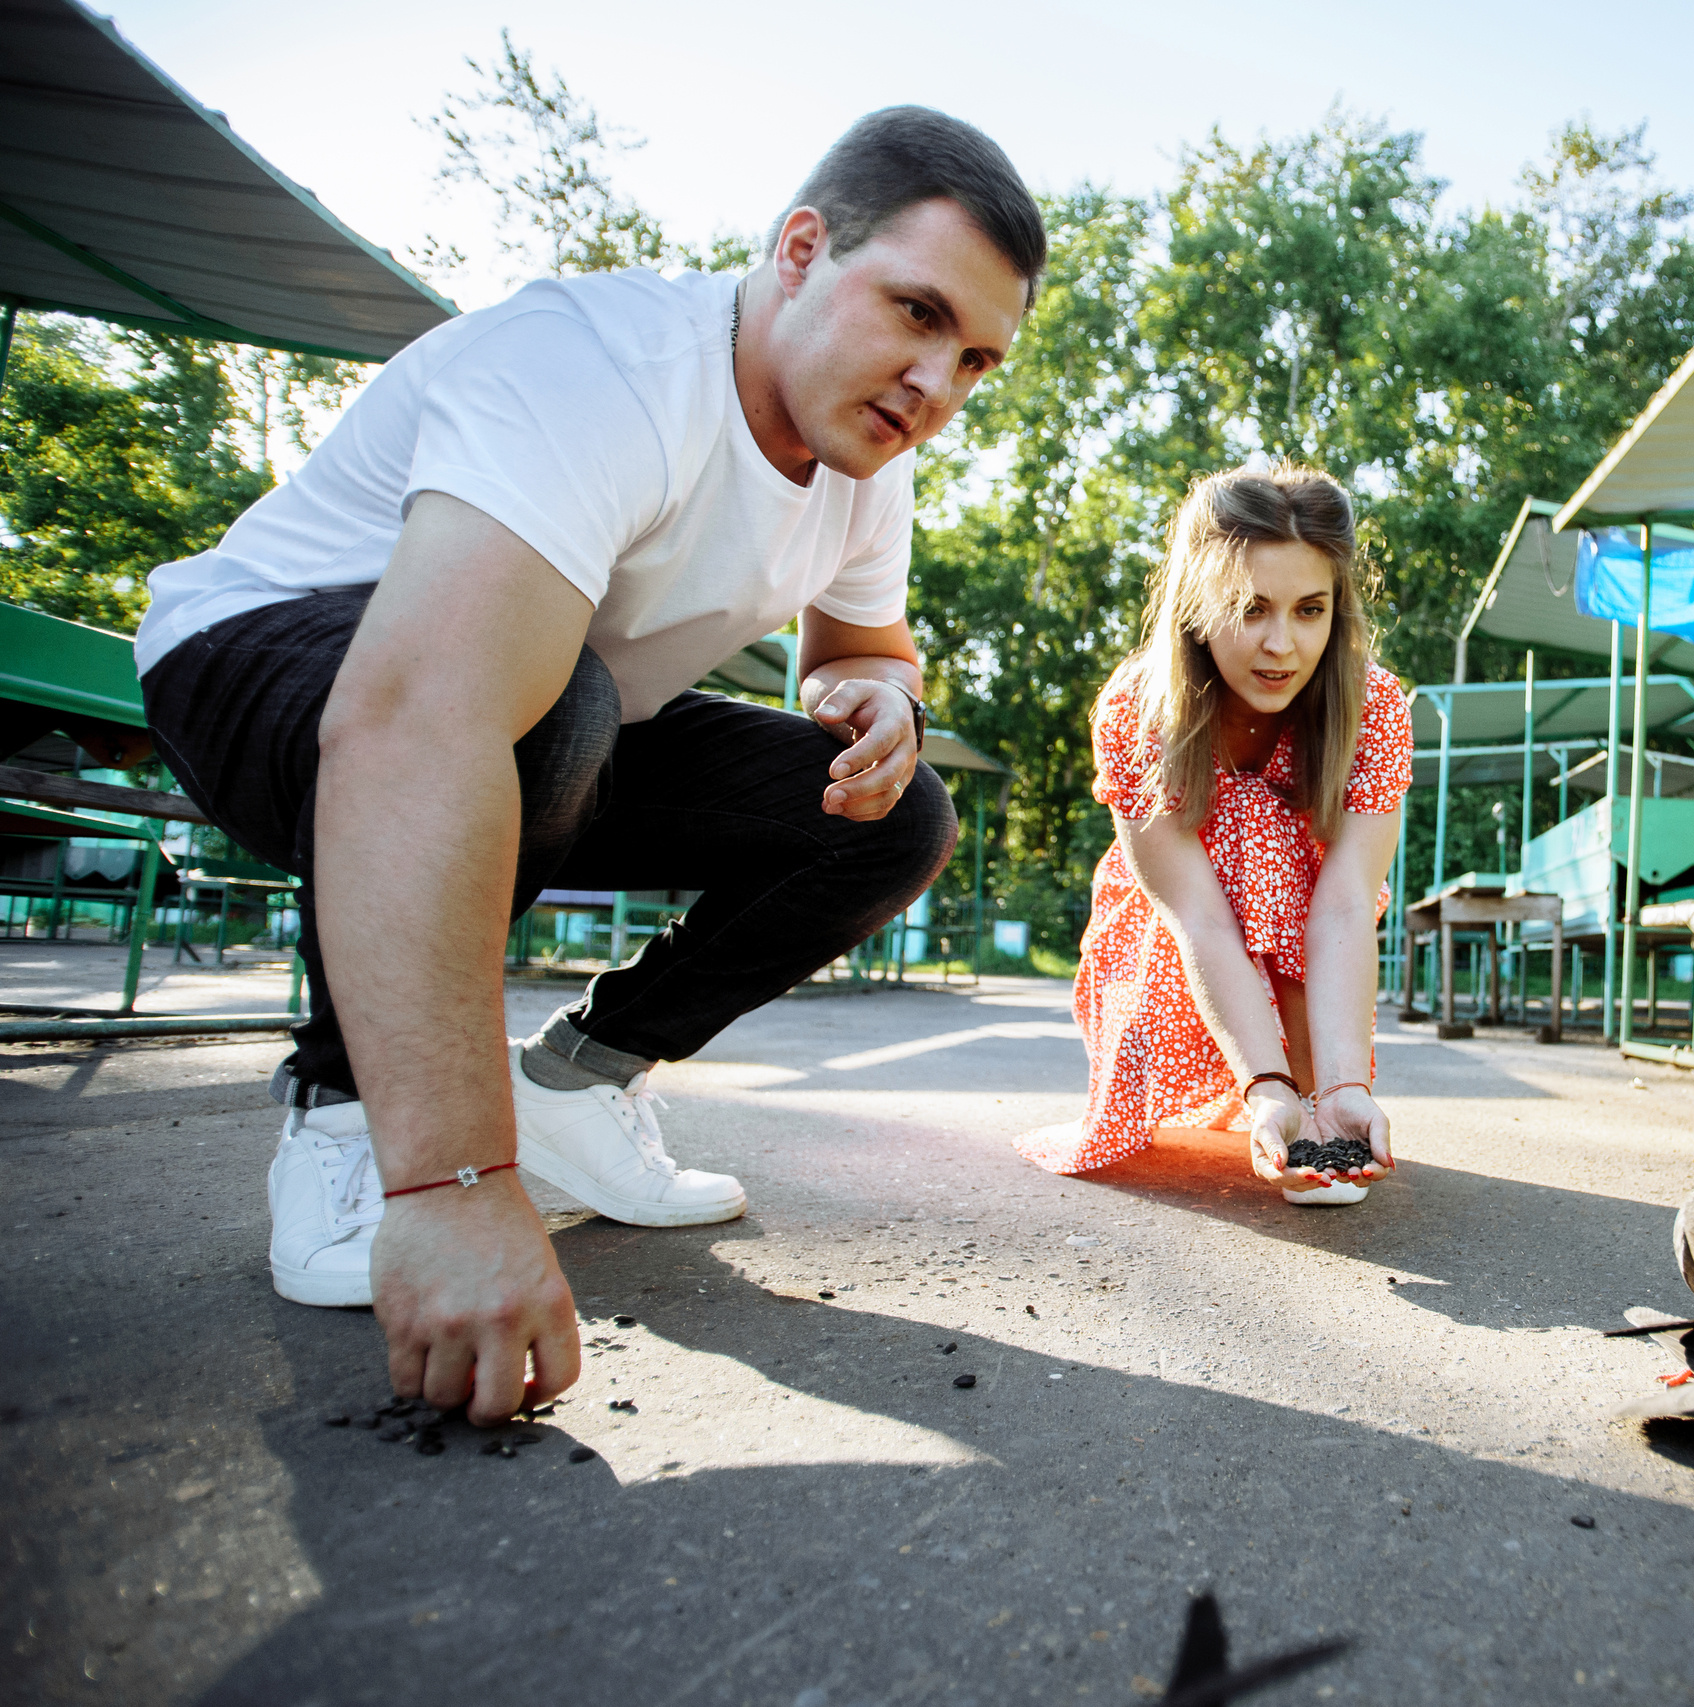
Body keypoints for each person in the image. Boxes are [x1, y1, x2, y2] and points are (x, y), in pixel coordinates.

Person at [133, 107, 1046, 1424]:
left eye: (975, 361)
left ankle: (573, 1083)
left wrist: (882, 699)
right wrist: (450, 1182)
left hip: (538, 707)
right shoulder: (598, 366)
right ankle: (346, 1125)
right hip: (264, 668)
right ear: (798, 251)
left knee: (893, 818)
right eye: (915, 313)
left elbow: (858, 645)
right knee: (546, 700)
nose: (938, 388)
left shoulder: (865, 462)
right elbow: (413, 721)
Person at [1017, 466, 1410, 1201]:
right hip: (1173, 943)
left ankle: (1324, 1107)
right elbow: (1192, 912)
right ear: (1198, 604)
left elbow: (1349, 901)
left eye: (1310, 609)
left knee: (1283, 867)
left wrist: (1344, 1081)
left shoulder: (1374, 705)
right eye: (1250, 607)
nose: (1283, 645)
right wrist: (1266, 1083)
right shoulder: (1136, 708)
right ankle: (1278, 1097)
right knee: (1245, 873)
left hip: (1307, 936)